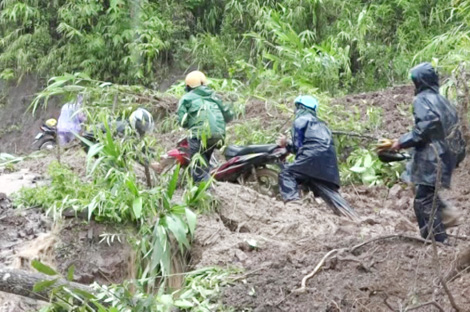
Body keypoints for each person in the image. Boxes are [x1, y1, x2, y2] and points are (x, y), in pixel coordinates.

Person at [391, 62, 465, 243]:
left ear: (420, 82)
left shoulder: (422, 100)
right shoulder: (445, 102)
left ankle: (438, 241)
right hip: (444, 157)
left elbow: (426, 126)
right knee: (428, 196)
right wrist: (455, 159)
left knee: (422, 201)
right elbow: (457, 134)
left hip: (431, 158)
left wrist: (401, 142)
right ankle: (447, 218)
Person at [277, 95, 356, 218]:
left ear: (300, 108)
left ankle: (293, 204)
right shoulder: (322, 124)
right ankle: (349, 216)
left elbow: (299, 147)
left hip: (311, 158)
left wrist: (286, 144)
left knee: (287, 173)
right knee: (329, 193)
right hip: (329, 166)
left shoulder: (300, 121)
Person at [177, 70, 234, 182]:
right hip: (218, 136)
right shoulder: (214, 96)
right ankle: (207, 180)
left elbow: (182, 121)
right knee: (205, 160)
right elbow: (228, 116)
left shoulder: (186, 98)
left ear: (188, 86)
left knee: (197, 167)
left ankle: (202, 191)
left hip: (198, 134)